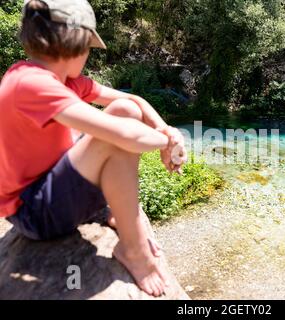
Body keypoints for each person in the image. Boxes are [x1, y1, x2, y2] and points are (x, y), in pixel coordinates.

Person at [0, 0, 188, 297]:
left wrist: (165, 129)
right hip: (34, 211)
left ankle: (118, 215)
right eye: (88, 48)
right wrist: (168, 143)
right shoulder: (30, 84)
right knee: (112, 135)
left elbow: (134, 102)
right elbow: (126, 135)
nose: (87, 56)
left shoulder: (64, 81)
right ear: (75, 45)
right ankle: (134, 249)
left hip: (54, 190)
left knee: (124, 108)